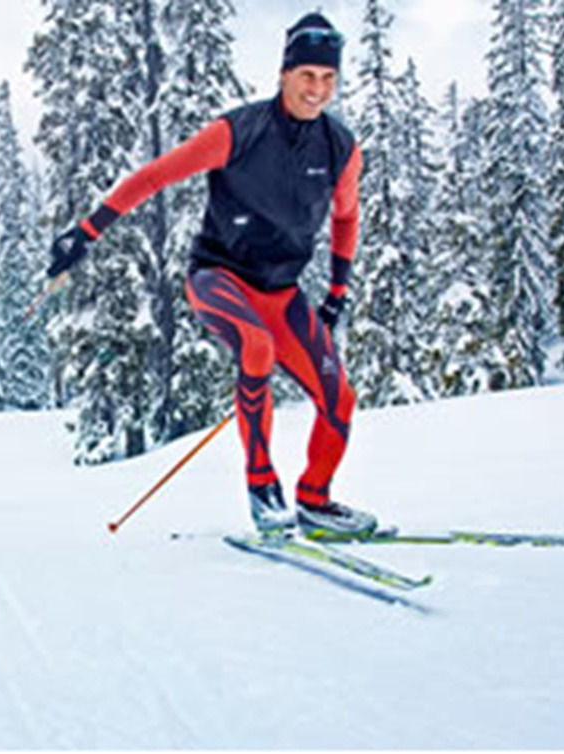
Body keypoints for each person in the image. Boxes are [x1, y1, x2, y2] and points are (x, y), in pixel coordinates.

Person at [46, 12, 376, 540]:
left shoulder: (340, 147)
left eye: (328, 78)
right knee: (255, 345)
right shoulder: (239, 132)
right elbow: (156, 176)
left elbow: (346, 216)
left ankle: (314, 499)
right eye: (307, 75)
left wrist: (337, 291)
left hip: (283, 292)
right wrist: (85, 232)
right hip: (219, 277)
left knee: (339, 399)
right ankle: (262, 488)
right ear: (284, 73)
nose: (317, 89)